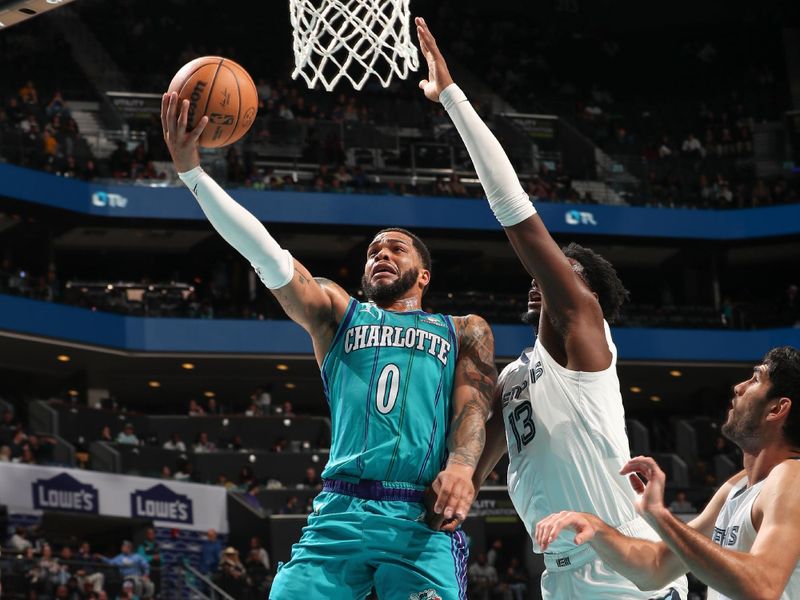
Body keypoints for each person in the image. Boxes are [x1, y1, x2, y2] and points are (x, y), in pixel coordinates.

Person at [161, 88, 497, 599]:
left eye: (396, 248)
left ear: (424, 273)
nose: (381, 254)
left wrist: (461, 467)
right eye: (372, 251)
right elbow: (270, 257)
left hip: (418, 518)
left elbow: (473, 406)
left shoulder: (462, 327)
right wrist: (193, 174)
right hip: (338, 511)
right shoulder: (338, 313)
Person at [414, 18, 687, 600]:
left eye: (567, 273)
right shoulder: (516, 376)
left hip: (624, 570)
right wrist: (452, 488)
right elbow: (477, 457)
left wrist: (455, 102)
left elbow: (516, 213)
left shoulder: (589, 336)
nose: (547, 278)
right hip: (560, 573)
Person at [534, 346, 800, 600]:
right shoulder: (738, 487)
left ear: (777, 409)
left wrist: (661, 517)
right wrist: (596, 528)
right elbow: (656, 567)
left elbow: (762, 587)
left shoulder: (792, 476)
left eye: (755, 379)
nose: (738, 387)